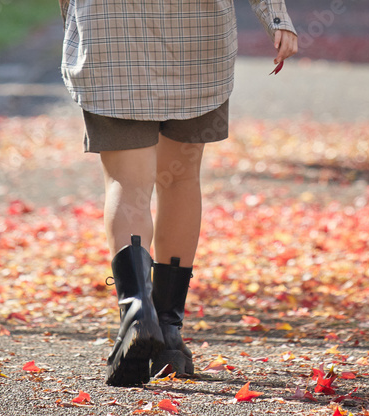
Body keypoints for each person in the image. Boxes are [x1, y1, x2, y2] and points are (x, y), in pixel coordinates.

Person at [58, 0, 298, 386]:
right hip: (198, 38)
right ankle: (169, 333)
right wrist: (276, 18)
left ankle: (137, 312)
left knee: (128, 182)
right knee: (181, 179)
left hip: (111, 29)